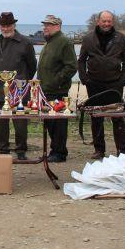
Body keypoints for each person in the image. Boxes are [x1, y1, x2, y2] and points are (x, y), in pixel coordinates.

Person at [78, 10, 125, 160]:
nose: (106, 24)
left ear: (112, 22)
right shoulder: (88, 38)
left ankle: (122, 150)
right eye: (104, 21)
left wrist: (123, 80)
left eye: (109, 21)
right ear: (98, 22)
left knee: (117, 117)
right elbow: (81, 60)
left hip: (115, 83)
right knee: (96, 117)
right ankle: (99, 149)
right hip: (93, 83)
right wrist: (84, 79)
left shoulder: (120, 38)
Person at [0, 11, 37, 160]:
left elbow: (32, 66)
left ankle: (21, 150)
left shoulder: (25, 42)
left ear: (14, 25)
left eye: (8, 25)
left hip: (19, 89)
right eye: (3, 26)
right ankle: (2, 149)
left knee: (20, 122)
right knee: (0, 122)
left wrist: (21, 83)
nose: (5, 28)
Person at [37, 14, 77, 162]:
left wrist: (56, 81)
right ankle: (55, 150)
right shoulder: (50, 42)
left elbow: (71, 66)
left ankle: (59, 153)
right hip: (46, 90)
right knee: (51, 122)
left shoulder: (64, 42)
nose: (45, 27)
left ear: (57, 26)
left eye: (49, 25)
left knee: (58, 123)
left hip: (57, 90)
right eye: (44, 25)